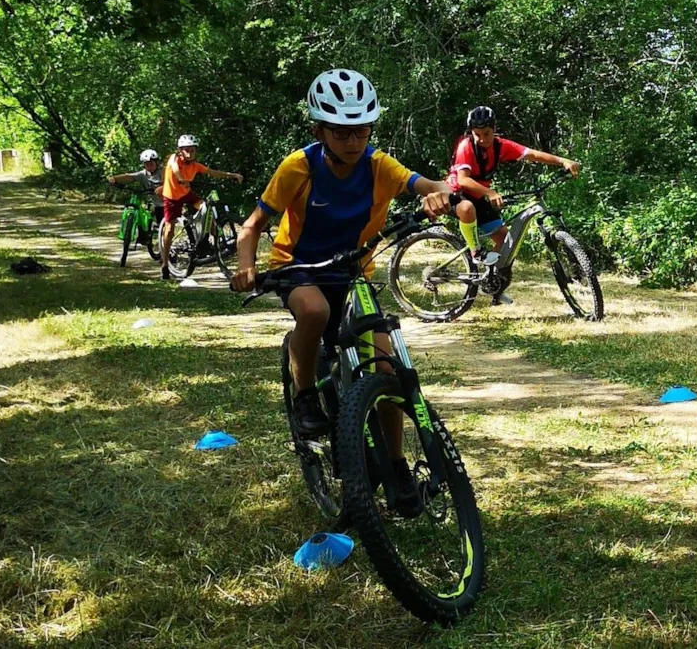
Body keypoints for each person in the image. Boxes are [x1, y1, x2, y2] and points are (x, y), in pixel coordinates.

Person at [230, 69, 453, 517]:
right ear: (319, 130)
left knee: (385, 364)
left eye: (361, 129)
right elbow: (252, 226)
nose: (353, 140)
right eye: (340, 131)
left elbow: (421, 183)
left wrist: (438, 193)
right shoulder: (299, 166)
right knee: (311, 313)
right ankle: (306, 394)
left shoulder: (378, 165)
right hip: (299, 267)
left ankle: (396, 466)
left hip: (352, 273)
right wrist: (246, 266)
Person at [448, 105, 581, 304]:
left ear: (494, 129)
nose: (483, 139)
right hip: (456, 193)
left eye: (487, 133)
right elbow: (464, 180)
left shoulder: (501, 146)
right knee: (467, 208)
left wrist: (562, 161)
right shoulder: (466, 147)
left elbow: (532, 154)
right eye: (478, 135)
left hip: (478, 196)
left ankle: (492, 283)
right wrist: (490, 192)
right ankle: (475, 251)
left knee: (504, 240)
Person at [159, 135, 244, 280]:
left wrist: (232, 175)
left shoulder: (195, 165)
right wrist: (181, 180)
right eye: (187, 150)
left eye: (192, 150)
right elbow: (174, 169)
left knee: (206, 208)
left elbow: (212, 172)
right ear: (180, 151)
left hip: (186, 194)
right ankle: (165, 265)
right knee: (169, 231)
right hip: (172, 197)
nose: (190, 153)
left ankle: (209, 240)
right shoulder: (175, 158)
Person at [108, 149, 164, 225]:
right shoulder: (143, 174)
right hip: (155, 204)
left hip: (166, 203)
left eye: (151, 164)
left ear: (156, 163)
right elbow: (129, 177)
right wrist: (115, 179)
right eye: (147, 165)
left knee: (163, 225)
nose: (149, 166)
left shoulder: (164, 171)